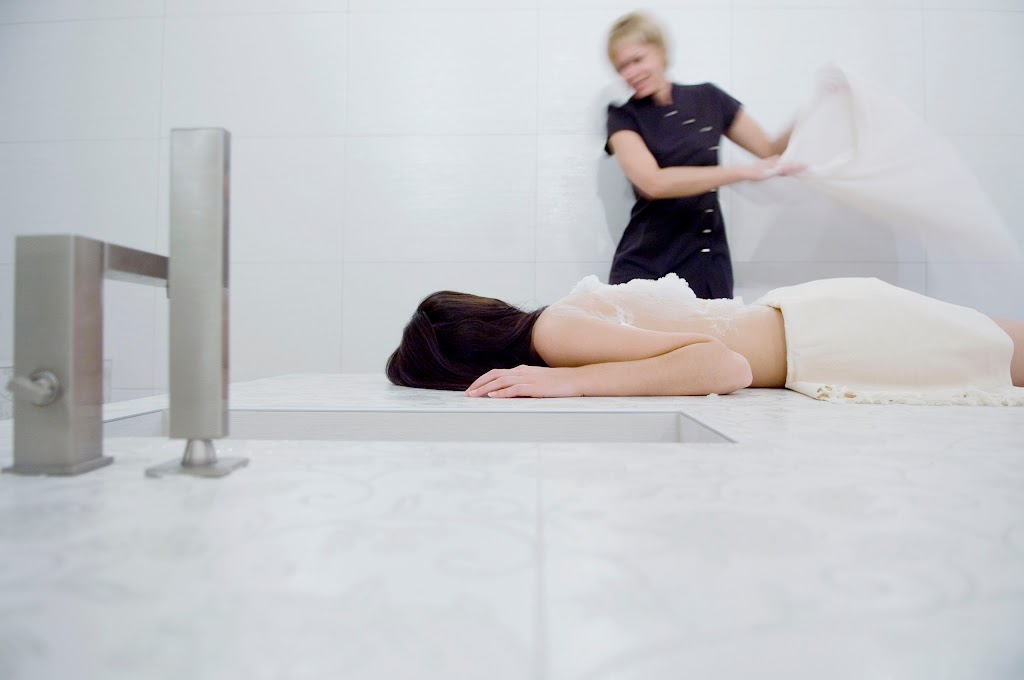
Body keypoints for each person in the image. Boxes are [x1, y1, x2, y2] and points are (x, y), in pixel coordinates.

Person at [386, 276, 1024, 406]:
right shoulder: (554, 330)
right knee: (996, 348)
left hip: (832, 335)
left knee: (1001, 354)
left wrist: (570, 382)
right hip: (823, 328)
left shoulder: (553, 334)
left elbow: (726, 366)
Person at [604, 11, 801, 297]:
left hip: (708, 263)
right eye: (621, 67)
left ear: (660, 50)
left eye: (637, 60)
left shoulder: (709, 98)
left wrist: (814, 109)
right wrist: (740, 172)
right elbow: (652, 183)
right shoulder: (623, 116)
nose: (630, 73)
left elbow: (769, 150)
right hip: (646, 265)